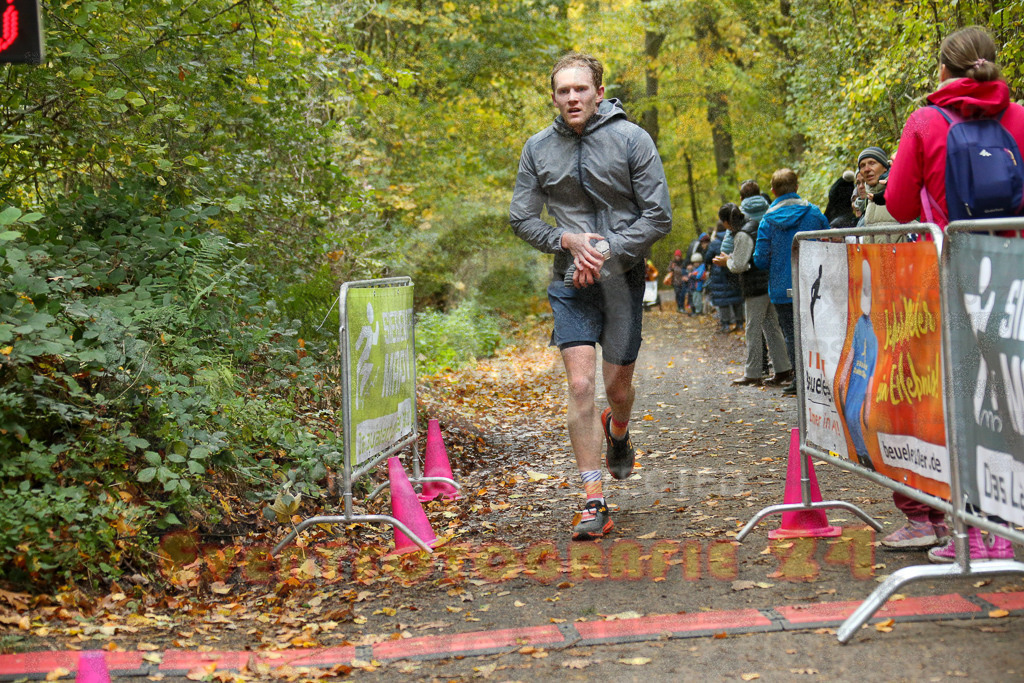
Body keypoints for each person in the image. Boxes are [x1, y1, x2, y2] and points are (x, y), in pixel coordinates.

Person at [509, 52, 672, 541]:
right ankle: (592, 499)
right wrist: (567, 241)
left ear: (599, 92)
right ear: (554, 97)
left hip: (622, 280)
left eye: (581, 89)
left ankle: (617, 430)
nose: (572, 98)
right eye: (563, 91)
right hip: (569, 283)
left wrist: (604, 249)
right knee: (580, 385)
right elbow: (522, 218)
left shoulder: (632, 139)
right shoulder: (538, 149)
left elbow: (658, 216)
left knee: (617, 387)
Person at [882, 26, 1023, 560]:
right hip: (1013, 279)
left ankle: (971, 529)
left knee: (956, 399)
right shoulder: (1019, 117)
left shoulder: (926, 120)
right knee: (1009, 400)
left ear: (943, 70)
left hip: (952, 278)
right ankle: (1005, 526)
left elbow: (897, 205)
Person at [753, 168, 830, 396]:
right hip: (814, 285)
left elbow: (759, 259)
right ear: (797, 187)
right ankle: (821, 379)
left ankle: (800, 380)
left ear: (773, 191)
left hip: (782, 287)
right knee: (817, 330)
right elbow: (830, 243)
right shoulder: (814, 214)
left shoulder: (767, 221)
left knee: (791, 333)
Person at [713, 202, 792, 386]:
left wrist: (727, 262)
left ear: (725, 223)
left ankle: (753, 372)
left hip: (755, 287)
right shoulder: (753, 225)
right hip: (767, 282)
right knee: (772, 327)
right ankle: (783, 369)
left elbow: (739, 265)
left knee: (753, 329)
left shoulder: (741, 235)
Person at [705, 220, 744, 333]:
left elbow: (708, 258)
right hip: (733, 273)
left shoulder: (715, 243)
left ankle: (725, 325)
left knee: (723, 301)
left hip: (719, 276)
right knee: (737, 299)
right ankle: (740, 323)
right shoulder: (734, 239)